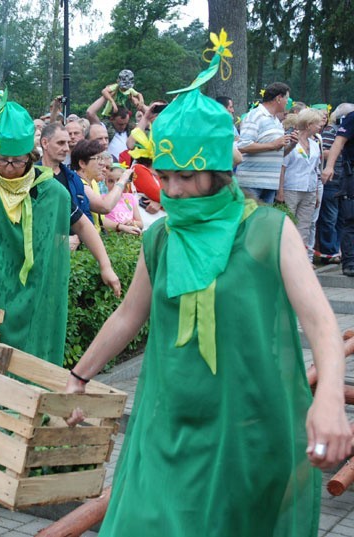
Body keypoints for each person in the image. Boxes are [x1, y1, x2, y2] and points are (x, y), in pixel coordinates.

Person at [65, 34, 350, 536]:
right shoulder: (162, 238)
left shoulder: (266, 230)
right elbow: (130, 315)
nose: (173, 191)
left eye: (188, 177)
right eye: (166, 175)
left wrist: (328, 397)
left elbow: (321, 322)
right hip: (167, 423)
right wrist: (80, 377)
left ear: (221, 170)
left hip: (247, 428)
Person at [0, 75, 119, 367]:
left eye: (17, 161)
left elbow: (82, 224)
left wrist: (106, 265)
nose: (10, 168)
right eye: (2, 161)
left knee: (28, 358)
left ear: (31, 156)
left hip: (35, 289)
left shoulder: (50, 191)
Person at [236, 82, 295, 204]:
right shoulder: (255, 115)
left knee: (263, 222)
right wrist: (272, 145)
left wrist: (292, 144)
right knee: (249, 221)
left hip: (270, 183)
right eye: (286, 99)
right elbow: (242, 146)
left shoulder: (276, 121)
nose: (287, 103)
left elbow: (279, 152)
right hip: (251, 182)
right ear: (278, 98)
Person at [277, 108, 324, 259]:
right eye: (317, 124)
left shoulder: (315, 144)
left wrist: (316, 193)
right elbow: (282, 167)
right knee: (288, 224)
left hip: (309, 190)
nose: (320, 126)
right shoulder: (292, 141)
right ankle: (284, 258)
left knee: (305, 226)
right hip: (291, 188)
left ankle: (301, 259)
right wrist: (280, 191)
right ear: (309, 124)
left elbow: (316, 170)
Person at [322, 103, 354, 276]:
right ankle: (349, 263)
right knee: (350, 217)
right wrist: (329, 166)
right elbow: (338, 142)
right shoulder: (352, 118)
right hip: (351, 174)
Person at [102, 164, 143, 235]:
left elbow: (141, 224)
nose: (115, 184)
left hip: (130, 238)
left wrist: (132, 223)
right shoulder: (101, 199)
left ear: (125, 181)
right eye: (111, 181)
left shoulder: (130, 198)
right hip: (112, 239)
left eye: (119, 180)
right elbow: (100, 222)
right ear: (105, 182)